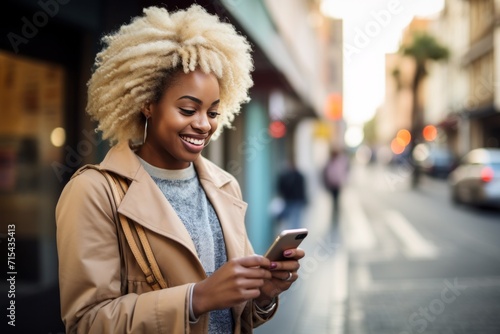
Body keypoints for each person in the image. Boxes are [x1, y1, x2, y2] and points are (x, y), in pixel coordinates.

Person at [55, 5, 305, 334]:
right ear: (147, 103)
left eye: (213, 112)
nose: (203, 125)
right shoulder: (93, 192)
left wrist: (263, 296)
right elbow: (86, 322)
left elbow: (233, 317)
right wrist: (195, 298)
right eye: (188, 109)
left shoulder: (224, 186)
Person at [276, 160, 307, 229]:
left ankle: (294, 234)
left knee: (295, 220)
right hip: (290, 200)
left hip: (295, 200)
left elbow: (302, 189)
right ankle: (293, 234)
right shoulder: (285, 176)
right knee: (293, 220)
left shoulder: (298, 176)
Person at [323, 147, 350, 224]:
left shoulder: (338, 162)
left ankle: (335, 212)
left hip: (336, 184)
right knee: (334, 199)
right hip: (332, 185)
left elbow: (343, 172)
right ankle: (335, 211)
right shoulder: (331, 162)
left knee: (336, 199)